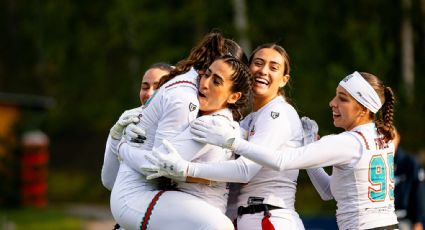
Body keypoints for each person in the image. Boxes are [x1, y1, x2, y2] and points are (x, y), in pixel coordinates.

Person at [148, 71, 400, 229]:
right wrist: (311, 145)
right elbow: (328, 191)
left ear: (365, 109)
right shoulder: (382, 137)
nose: (332, 103)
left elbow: (281, 161)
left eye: (343, 99)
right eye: (336, 95)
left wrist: (231, 142)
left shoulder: (346, 142)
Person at [146, 43, 306, 230]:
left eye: (273, 67)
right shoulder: (249, 119)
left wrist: (186, 170)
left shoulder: (277, 112)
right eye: (258, 63)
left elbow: (245, 170)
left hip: (269, 217)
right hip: (250, 216)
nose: (263, 71)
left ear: (284, 80)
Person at [107, 32, 250, 230]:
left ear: (234, 95)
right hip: (144, 201)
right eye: (207, 73)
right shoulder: (193, 103)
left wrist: (121, 147)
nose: (205, 83)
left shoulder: (215, 121)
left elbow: (159, 165)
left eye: (217, 81)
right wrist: (118, 142)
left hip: (162, 204)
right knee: (218, 226)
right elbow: (160, 167)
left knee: (218, 225)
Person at [101, 62, 173, 191]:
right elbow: (109, 181)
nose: (149, 93)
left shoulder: (184, 120)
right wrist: (115, 139)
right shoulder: (129, 118)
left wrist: (122, 149)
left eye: (158, 87)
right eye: (145, 87)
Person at [394, 130, 425, 230]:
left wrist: (418, 221)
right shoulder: (375, 161)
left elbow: (418, 192)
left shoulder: (410, 162)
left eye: (391, 138)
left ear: (398, 138)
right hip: (379, 220)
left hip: (404, 220)